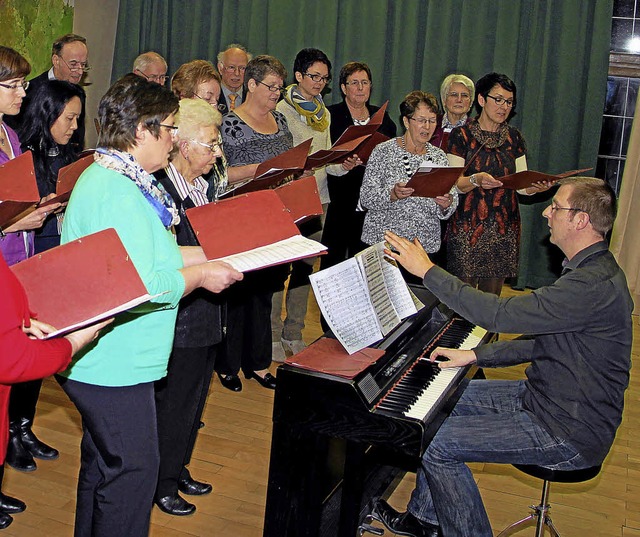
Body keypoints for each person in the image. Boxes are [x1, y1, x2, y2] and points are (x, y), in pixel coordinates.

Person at [380, 176, 632, 537]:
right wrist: (474, 356)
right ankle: (425, 521)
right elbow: (541, 343)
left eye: (556, 207)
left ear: (580, 221)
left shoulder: (589, 286)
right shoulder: (592, 270)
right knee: (444, 401)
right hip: (547, 399)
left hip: (568, 429)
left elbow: (497, 315)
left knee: (437, 444)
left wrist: (428, 271)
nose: (546, 213)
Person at [58, 73, 242, 537]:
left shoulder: (122, 177)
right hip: (113, 362)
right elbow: (147, 284)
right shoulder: (117, 190)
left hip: (113, 357)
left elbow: (155, 255)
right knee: (134, 476)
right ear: (142, 130)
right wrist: (202, 275)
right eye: (170, 128)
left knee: (104, 468)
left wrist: (225, 252)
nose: (175, 138)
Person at [4, 80, 84, 474]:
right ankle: (12, 436)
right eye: (68, 118)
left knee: (37, 341)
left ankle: (22, 427)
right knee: (16, 354)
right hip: (18, 255)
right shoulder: (26, 149)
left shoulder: (60, 152)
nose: (73, 127)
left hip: (40, 255)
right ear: (47, 114)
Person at [152, 98, 225, 516]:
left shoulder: (205, 185)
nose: (216, 153)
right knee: (174, 401)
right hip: (179, 314)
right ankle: (160, 481)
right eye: (210, 144)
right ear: (181, 144)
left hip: (207, 310)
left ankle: (178, 467)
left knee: (196, 398)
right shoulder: (161, 190)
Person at [273, 48, 360, 359]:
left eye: (324, 78)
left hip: (319, 198)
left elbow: (327, 164)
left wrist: (342, 164)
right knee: (278, 272)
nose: (319, 83)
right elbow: (277, 161)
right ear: (298, 76)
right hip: (288, 198)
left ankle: (293, 331)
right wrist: (298, 166)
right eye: (314, 77)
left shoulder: (323, 113)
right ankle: (271, 336)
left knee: (306, 270)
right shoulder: (281, 109)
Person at [217, 54, 292, 391]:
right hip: (240, 217)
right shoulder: (229, 123)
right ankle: (228, 364)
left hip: (274, 216)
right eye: (270, 86)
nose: (276, 93)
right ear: (251, 84)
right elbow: (219, 177)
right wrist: (261, 170)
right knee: (237, 293)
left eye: (280, 87)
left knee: (264, 292)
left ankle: (259, 362)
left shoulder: (282, 121)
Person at [445, 72, 549, 296]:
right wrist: (476, 179)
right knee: (461, 299)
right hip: (467, 227)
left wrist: (535, 187)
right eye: (498, 99)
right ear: (482, 100)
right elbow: (455, 184)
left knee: (491, 302)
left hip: (503, 228)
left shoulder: (514, 137)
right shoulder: (460, 135)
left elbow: (521, 186)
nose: (504, 107)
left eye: (509, 102)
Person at [359, 91, 457, 265]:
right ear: (406, 121)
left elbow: (452, 199)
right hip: (384, 245)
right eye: (421, 120)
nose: (427, 127)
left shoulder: (439, 157)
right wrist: (392, 195)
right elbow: (366, 198)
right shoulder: (383, 151)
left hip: (422, 249)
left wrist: (446, 204)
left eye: (432, 121)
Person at [319, 61, 397, 275]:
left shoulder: (382, 118)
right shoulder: (330, 115)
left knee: (366, 268)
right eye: (355, 83)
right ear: (344, 88)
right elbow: (324, 154)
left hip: (371, 205)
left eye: (365, 82)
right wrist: (342, 163)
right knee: (333, 266)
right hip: (340, 201)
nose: (361, 88)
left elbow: (392, 152)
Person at [6, 34, 88, 149]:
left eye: (83, 65)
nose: (79, 71)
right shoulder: (28, 91)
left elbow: (77, 138)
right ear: (56, 60)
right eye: (73, 64)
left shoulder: (78, 93)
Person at [430, 73, 474, 150]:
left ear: (471, 102)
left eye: (464, 95)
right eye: (454, 95)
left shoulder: (476, 129)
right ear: (444, 100)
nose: (459, 100)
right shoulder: (431, 124)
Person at [216, 44, 251, 114]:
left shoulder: (252, 97)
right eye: (231, 67)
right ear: (220, 68)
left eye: (242, 68)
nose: (237, 73)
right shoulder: (211, 96)